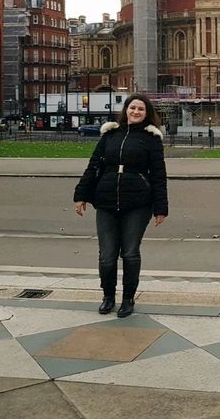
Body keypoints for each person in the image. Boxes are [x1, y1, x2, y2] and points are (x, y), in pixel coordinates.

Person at [73, 94, 168, 317]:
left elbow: (158, 175)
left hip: (137, 203)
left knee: (130, 253)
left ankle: (128, 298)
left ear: (147, 113)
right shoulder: (110, 134)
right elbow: (93, 166)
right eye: (132, 107)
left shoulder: (151, 139)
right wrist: (81, 195)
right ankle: (108, 296)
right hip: (106, 201)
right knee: (107, 255)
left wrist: (160, 208)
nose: (135, 112)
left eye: (140, 109)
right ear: (125, 110)